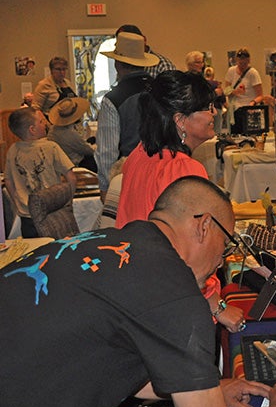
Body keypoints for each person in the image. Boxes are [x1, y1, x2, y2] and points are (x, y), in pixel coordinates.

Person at [0, 175, 276, 407]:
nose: (223, 257)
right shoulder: (174, 289)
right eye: (227, 243)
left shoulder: (105, 241)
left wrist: (207, 390)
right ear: (204, 226)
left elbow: (110, 360)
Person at [116, 70, 244, 333]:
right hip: (178, 307)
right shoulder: (186, 172)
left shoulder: (138, 156)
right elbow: (191, 259)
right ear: (181, 120)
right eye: (207, 108)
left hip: (139, 295)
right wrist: (217, 306)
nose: (215, 114)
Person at [95, 31, 159, 200]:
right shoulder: (161, 90)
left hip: (130, 176)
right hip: (163, 171)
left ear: (118, 64)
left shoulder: (114, 99)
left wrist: (105, 187)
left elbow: (107, 151)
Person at [4, 107, 76, 237]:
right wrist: (68, 199)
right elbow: (71, 177)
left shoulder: (12, 150)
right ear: (32, 129)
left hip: (27, 215)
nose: (46, 124)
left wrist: (17, 202)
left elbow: (8, 181)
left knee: (35, 250)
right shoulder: (52, 147)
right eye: (42, 122)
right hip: (50, 212)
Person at [47, 97, 97, 172]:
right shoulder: (70, 133)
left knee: (92, 139)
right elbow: (88, 150)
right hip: (74, 163)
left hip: (61, 160)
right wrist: (97, 146)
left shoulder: (53, 130)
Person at [223, 48, 264, 124]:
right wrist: (234, 92)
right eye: (240, 63)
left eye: (245, 64)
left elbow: (260, 96)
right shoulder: (231, 71)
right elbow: (226, 91)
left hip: (249, 109)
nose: (242, 66)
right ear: (236, 60)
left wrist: (252, 103)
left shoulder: (253, 73)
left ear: (248, 61)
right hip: (235, 109)